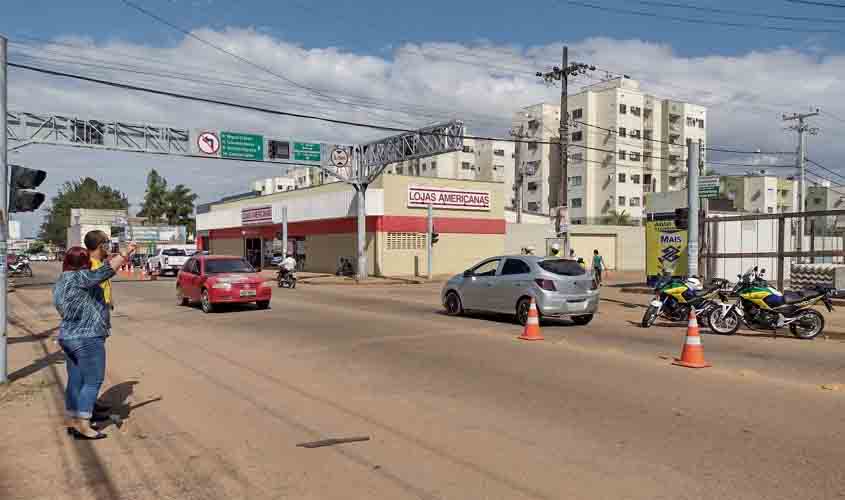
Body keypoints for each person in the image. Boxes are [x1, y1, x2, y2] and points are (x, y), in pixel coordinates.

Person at [53, 241, 136, 440]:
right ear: (83, 263)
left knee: (76, 380)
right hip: (86, 337)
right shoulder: (80, 277)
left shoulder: (62, 280)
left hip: (68, 336)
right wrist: (125, 253)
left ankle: (74, 418)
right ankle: (83, 424)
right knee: (93, 381)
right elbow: (106, 271)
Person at [84, 231, 113, 311]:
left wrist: (109, 300)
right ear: (101, 246)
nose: (109, 246)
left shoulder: (100, 263)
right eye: (107, 242)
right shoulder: (89, 265)